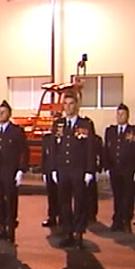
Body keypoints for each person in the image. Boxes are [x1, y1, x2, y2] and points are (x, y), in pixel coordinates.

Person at [50, 92, 96, 249]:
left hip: (78, 170)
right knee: (64, 203)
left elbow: (90, 148)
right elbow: (53, 148)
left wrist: (90, 170)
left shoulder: (85, 124)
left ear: (77, 105)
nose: (68, 107)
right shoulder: (58, 124)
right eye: (66, 103)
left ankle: (78, 233)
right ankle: (67, 232)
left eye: (71, 103)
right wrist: (53, 168)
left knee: (80, 202)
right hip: (63, 169)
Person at [0, 100, 28, 243]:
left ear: (9, 114)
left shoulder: (16, 131)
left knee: (11, 201)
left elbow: (24, 151)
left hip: (10, 171)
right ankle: (1, 228)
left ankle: (10, 229)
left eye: (3, 112)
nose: (0, 114)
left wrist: (21, 170)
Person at [102, 103, 135, 233]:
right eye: (118, 114)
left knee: (128, 196)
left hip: (129, 170)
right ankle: (117, 220)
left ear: (128, 116)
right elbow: (106, 149)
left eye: (123, 114)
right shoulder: (110, 131)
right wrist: (106, 166)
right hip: (115, 169)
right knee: (117, 196)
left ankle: (126, 221)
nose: (120, 116)